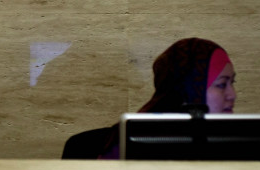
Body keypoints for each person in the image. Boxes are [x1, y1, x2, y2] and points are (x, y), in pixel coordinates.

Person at [95, 37, 236, 159]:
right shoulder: (138, 137)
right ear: (190, 87)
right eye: (222, 84)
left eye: (232, 83)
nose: (232, 95)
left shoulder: (232, 138)